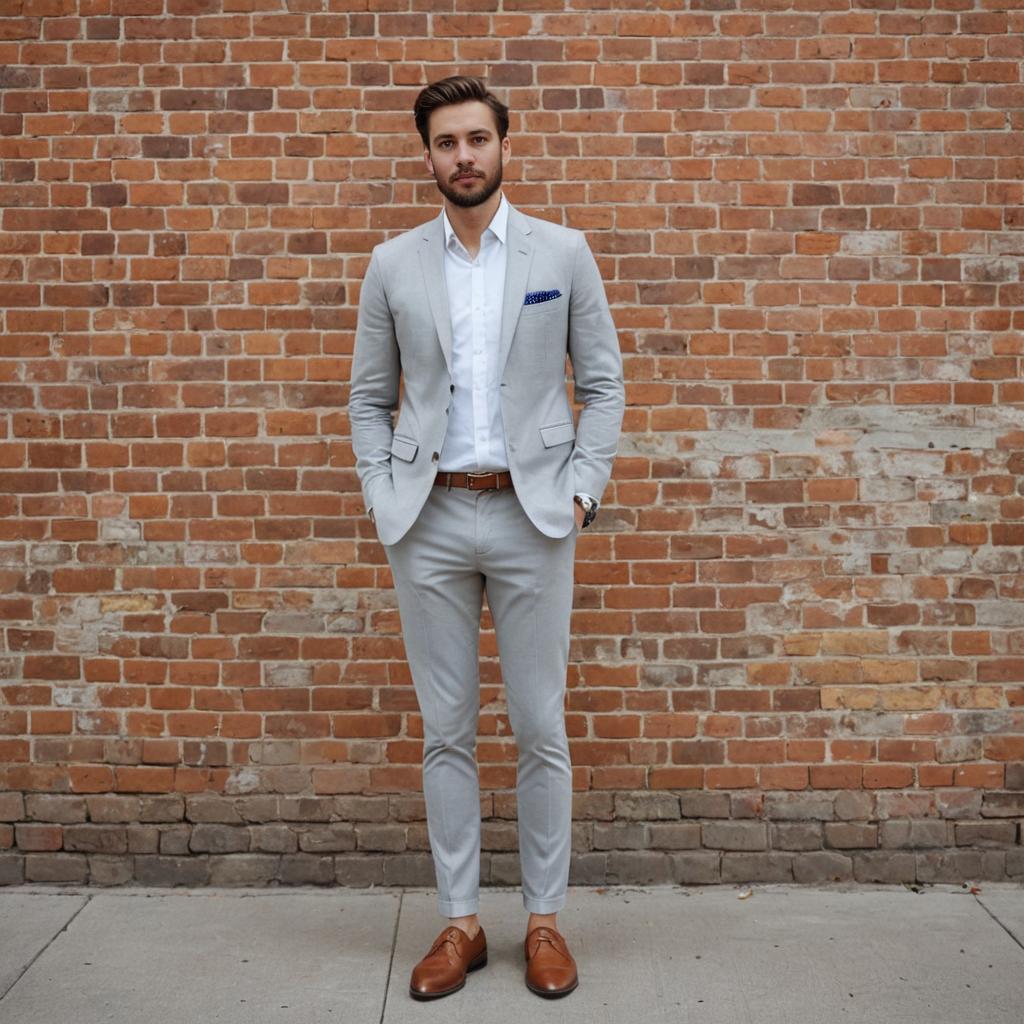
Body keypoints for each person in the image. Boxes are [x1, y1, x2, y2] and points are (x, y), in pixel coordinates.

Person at [348, 74, 625, 1001]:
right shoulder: (392, 264)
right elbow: (367, 398)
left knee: (541, 726)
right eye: (444, 143)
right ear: (425, 156)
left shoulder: (564, 252)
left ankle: (543, 921)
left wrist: (583, 492)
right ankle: (461, 920)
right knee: (446, 731)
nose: (462, 156)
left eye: (476, 139)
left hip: (534, 514)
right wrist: (385, 492)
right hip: (426, 519)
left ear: (505, 144)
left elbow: (606, 384)